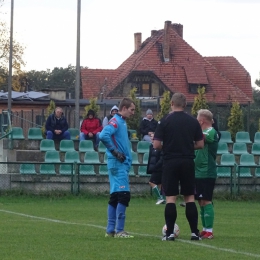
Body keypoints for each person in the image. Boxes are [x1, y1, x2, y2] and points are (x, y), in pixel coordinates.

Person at [153, 93, 204, 241]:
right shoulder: (193, 121)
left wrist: (169, 147)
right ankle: (195, 233)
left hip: (170, 161)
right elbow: (200, 144)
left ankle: (169, 234)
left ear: (171, 103)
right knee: (189, 197)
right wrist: (186, 147)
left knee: (171, 198)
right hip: (187, 161)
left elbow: (156, 145)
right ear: (185, 104)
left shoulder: (165, 121)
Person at [99, 97, 135, 238]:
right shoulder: (116, 121)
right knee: (123, 195)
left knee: (115, 197)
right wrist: (114, 151)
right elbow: (103, 135)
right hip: (117, 163)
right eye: (132, 110)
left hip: (119, 164)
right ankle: (120, 230)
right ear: (124, 108)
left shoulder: (122, 122)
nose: (133, 113)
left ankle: (110, 230)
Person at [195, 109, 218, 239]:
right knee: (201, 201)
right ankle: (204, 229)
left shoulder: (211, 131)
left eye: (197, 121)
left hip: (207, 171)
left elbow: (204, 137)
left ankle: (209, 231)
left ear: (202, 121)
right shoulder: (201, 132)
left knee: (206, 201)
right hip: (198, 172)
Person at [147, 133, 165, 205]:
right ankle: (163, 199)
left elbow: (161, 158)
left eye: (153, 137)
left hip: (159, 168)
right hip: (154, 168)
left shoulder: (160, 146)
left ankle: (160, 197)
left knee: (151, 182)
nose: (151, 138)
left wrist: (156, 166)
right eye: (151, 137)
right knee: (160, 184)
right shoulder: (151, 146)